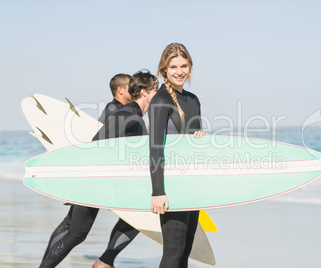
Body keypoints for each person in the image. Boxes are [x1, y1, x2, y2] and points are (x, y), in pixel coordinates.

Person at [39, 70, 158, 268]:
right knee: (77, 233)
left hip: (100, 181)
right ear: (144, 92)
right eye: (156, 90)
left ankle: (105, 262)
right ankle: (103, 262)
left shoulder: (134, 115)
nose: (159, 96)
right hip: (94, 181)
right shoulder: (126, 114)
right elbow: (97, 145)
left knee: (141, 215)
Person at [148, 43, 207, 268]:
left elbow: (188, 142)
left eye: (184, 65)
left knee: (184, 253)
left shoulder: (193, 100)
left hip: (191, 183)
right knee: (173, 253)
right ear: (164, 69)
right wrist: (158, 192)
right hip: (171, 185)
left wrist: (199, 138)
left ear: (190, 68)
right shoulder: (160, 100)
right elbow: (155, 148)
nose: (179, 71)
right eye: (173, 67)